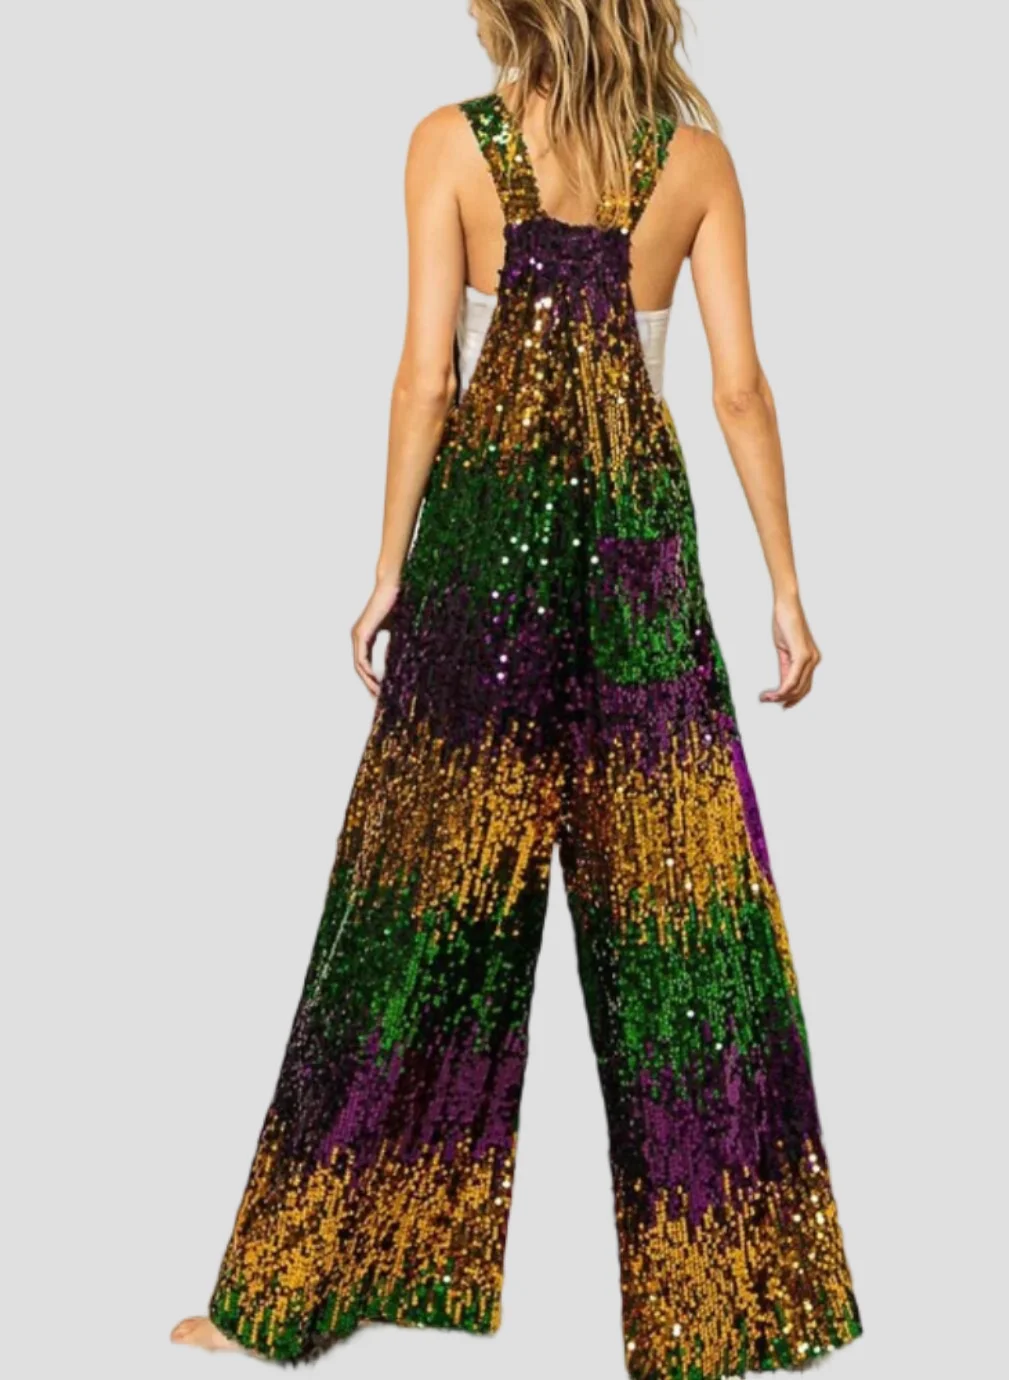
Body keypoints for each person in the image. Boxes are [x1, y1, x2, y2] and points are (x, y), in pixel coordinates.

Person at [172, 2, 862, 1374]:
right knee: (685, 919)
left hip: (484, 560)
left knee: (412, 905)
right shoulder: (695, 165)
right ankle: (736, 1301)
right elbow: (737, 390)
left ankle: (304, 1284)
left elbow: (426, 379)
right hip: (638, 567)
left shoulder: (448, 145)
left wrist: (388, 567)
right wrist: (786, 587)